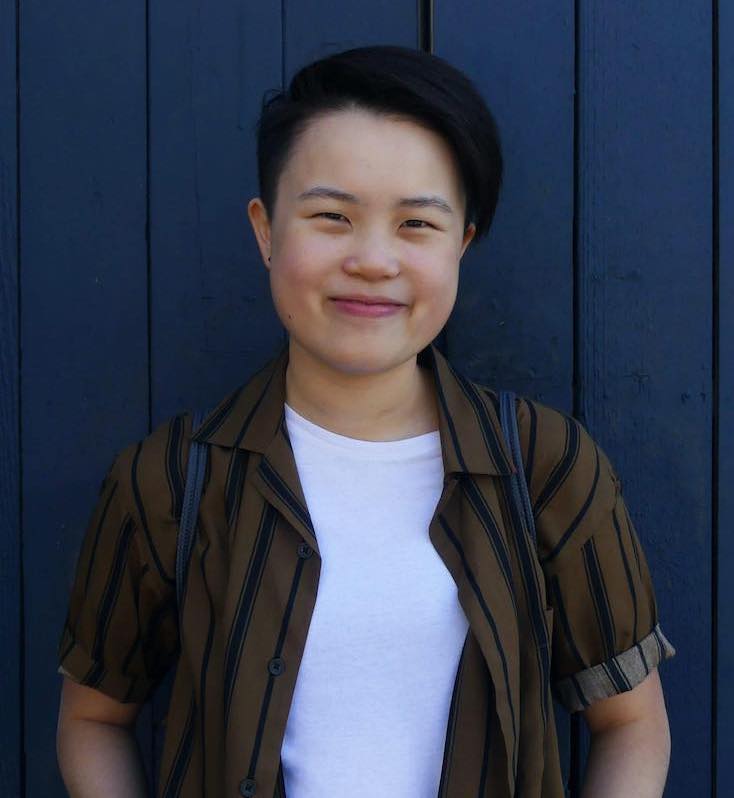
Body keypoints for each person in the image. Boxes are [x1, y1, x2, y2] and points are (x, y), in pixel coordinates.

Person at [55, 45, 675, 798]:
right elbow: (93, 719)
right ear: (265, 229)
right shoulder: (171, 480)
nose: (374, 259)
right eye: (331, 216)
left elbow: (631, 724)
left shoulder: (545, 466)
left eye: (417, 224)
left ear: (462, 243)